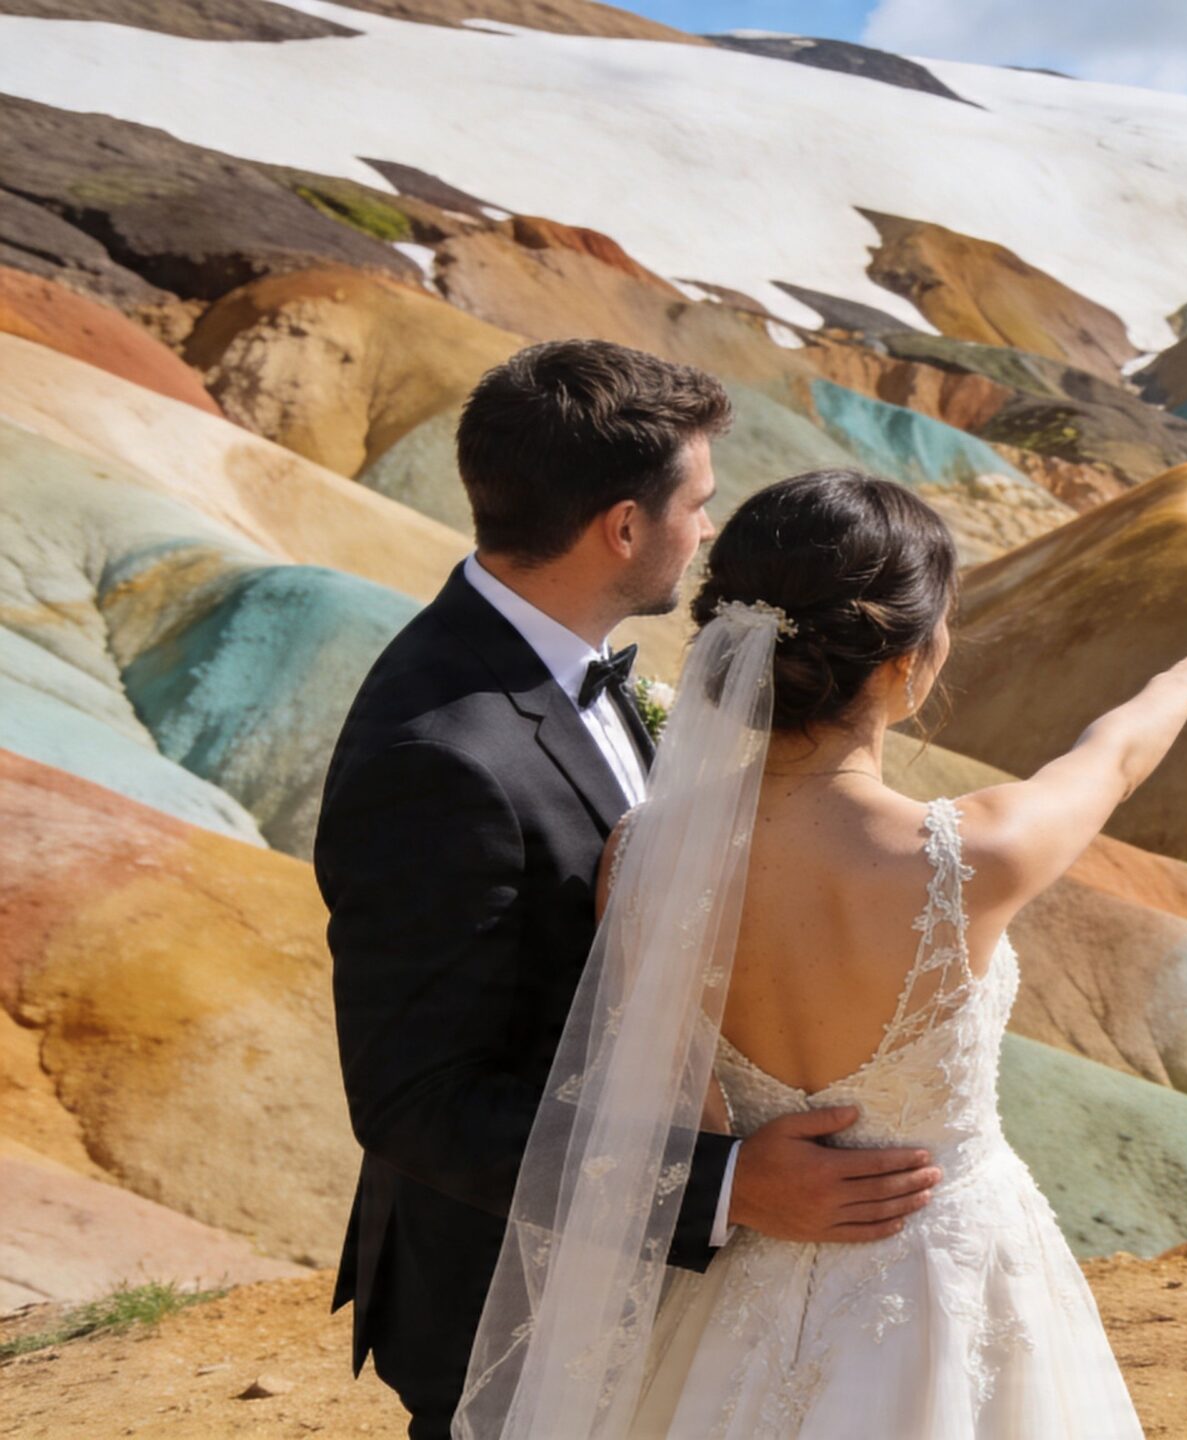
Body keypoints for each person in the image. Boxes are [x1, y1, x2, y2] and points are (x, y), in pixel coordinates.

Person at [455, 470, 1187, 1437]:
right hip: (948, 1284)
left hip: (746, 1281)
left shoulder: (644, 854)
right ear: (903, 660)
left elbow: (683, 1103)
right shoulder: (975, 855)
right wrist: (1186, 681)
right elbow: (1110, 759)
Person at [315, 341, 942, 1440]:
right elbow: (418, 1104)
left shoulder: (576, 665)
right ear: (622, 527)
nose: (705, 531)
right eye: (695, 504)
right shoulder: (442, 757)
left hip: (638, 1299)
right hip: (508, 1309)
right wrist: (722, 1186)